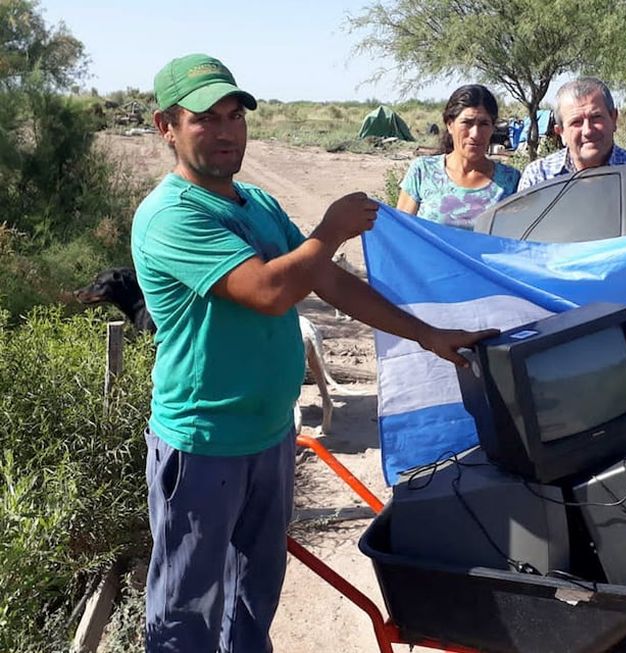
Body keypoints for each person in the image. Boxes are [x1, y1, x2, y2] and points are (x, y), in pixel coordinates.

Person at [133, 53, 496, 653]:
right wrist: (331, 228)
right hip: (203, 446)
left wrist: (426, 334)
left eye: (234, 115)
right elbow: (271, 291)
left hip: (269, 437)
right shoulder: (170, 215)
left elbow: (326, 280)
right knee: (184, 613)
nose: (226, 130)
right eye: (205, 119)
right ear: (165, 127)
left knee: (253, 599)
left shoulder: (254, 202)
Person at [518, 77, 626, 226]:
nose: (587, 130)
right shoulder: (538, 177)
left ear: (614, 119)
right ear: (561, 132)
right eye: (576, 122)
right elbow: (524, 248)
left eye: (596, 117)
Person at [396, 84, 520, 229]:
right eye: (467, 123)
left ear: (493, 128)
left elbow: (516, 238)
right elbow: (400, 233)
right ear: (450, 125)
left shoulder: (510, 181)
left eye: (484, 124)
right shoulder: (423, 171)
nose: (475, 134)